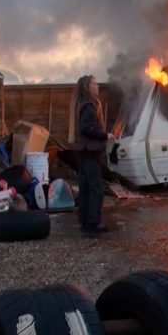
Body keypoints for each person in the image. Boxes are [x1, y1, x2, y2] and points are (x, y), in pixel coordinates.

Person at [73, 74, 115, 234]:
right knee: (96, 188)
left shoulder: (83, 105)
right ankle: (93, 222)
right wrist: (105, 135)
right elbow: (86, 128)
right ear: (88, 88)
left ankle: (85, 221)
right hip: (90, 152)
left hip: (84, 152)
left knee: (85, 187)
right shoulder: (89, 107)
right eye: (94, 84)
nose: (97, 86)